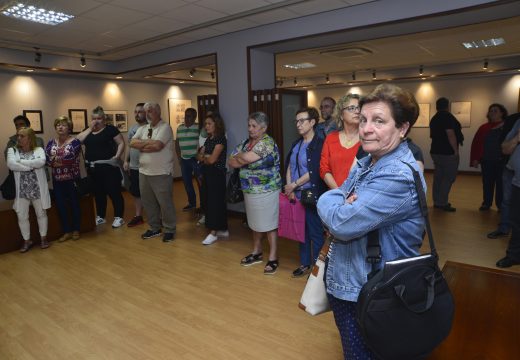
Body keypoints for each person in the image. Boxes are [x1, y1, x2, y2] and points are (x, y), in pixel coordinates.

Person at [317, 84, 425, 359]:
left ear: (402, 128)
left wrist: (329, 202)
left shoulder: (397, 175)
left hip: (373, 292)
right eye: (363, 120)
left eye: (379, 121)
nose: (365, 129)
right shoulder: (368, 161)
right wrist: (340, 202)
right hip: (353, 283)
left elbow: (341, 223)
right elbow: (341, 198)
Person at [229, 112, 282, 275]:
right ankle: (257, 251)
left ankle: (273, 257)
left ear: (263, 128)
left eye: (254, 126)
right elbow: (231, 161)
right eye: (249, 125)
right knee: (255, 223)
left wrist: (241, 158)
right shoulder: (246, 143)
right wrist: (241, 158)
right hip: (249, 190)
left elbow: (243, 159)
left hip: (267, 190)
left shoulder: (267, 143)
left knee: (269, 224)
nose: (250, 129)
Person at [284, 107, 327, 277]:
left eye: (302, 120)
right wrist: (289, 187)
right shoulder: (297, 143)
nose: (298, 124)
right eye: (296, 121)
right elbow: (290, 165)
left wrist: (293, 185)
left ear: (312, 122)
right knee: (301, 232)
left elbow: (314, 171)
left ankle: (317, 268)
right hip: (296, 193)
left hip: (311, 194)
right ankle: (304, 264)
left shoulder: (319, 144)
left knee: (315, 233)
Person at [130, 102, 176, 242]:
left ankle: (169, 229)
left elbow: (157, 146)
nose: (147, 114)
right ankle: (154, 228)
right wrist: (147, 144)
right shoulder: (143, 128)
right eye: (145, 111)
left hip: (161, 172)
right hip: (144, 172)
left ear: (157, 111)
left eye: (149, 111)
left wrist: (142, 145)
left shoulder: (165, 127)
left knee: (165, 203)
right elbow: (132, 143)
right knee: (148, 202)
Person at [77, 106, 125, 228]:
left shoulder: (110, 130)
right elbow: (77, 141)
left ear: (104, 119)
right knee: (98, 193)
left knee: (114, 192)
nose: (96, 121)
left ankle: (119, 217)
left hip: (109, 167)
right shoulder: (87, 131)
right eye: (94, 118)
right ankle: (101, 216)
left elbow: (121, 143)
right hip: (93, 169)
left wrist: (117, 156)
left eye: (99, 118)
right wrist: (90, 128)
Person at [7, 127, 51, 252]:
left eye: (22, 136)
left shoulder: (39, 149)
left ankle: (43, 238)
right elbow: (11, 164)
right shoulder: (12, 150)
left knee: (41, 214)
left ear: (30, 138)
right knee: (21, 216)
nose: (18, 138)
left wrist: (21, 161)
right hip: (22, 190)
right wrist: (29, 167)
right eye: (18, 136)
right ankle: (27, 240)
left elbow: (41, 162)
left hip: (37, 188)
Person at [45, 116, 82, 242]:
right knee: (61, 206)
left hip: (71, 179)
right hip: (57, 180)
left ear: (69, 127)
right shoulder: (51, 143)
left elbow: (70, 158)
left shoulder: (75, 142)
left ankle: (76, 229)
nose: (60, 127)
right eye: (58, 125)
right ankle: (67, 231)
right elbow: (46, 159)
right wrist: (54, 161)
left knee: (74, 204)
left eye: (63, 125)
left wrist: (55, 160)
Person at [470, 103, 508, 211]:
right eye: (491, 111)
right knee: (487, 183)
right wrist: (475, 159)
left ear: (502, 113)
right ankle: (486, 203)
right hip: (487, 160)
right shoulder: (484, 127)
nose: (492, 113)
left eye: (495, 111)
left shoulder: (507, 127)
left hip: (502, 160)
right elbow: (476, 143)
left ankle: (500, 205)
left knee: (501, 184)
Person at [488, 112, 520, 239]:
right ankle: (504, 228)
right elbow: (504, 148)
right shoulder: (516, 120)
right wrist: (517, 137)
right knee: (506, 201)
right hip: (510, 170)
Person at [198, 112, 228, 245]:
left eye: (209, 124)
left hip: (216, 174)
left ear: (217, 124)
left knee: (215, 202)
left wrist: (205, 157)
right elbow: (198, 155)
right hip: (207, 173)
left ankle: (213, 232)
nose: (206, 126)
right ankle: (222, 228)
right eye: (205, 124)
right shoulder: (208, 139)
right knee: (208, 201)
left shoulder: (221, 139)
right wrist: (205, 157)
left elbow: (211, 159)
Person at [429, 97, 464, 212]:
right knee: (448, 178)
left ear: (436, 106)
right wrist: (455, 151)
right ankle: (442, 203)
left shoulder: (434, 118)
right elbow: (450, 134)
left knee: (438, 177)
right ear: (447, 106)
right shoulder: (447, 117)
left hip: (435, 151)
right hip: (447, 153)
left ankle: (437, 201)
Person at [320, 94, 361, 189]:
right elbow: (324, 169)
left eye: (359, 108)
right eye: (351, 108)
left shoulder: (368, 138)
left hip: (360, 196)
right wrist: (339, 193)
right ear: (341, 115)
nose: (357, 111)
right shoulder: (331, 138)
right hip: (335, 195)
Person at [496, 116, 520, 268]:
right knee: (516, 222)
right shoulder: (518, 122)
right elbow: (505, 148)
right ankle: (513, 255)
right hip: (517, 182)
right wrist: (517, 137)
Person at [123, 103, 147, 227]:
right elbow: (128, 145)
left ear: (146, 113)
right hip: (134, 166)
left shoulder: (150, 128)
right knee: (136, 192)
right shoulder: (132, 128)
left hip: (147, 166)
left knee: (150, 192)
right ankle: (138, 216)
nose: (137, 114)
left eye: (140, 112)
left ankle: (158, 216)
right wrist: (126, 160)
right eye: (135, 112)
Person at [176, 108, 201, 212]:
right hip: (184, 160)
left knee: (200, 182)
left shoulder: (198, 127)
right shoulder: (180, 128)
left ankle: (204, 204)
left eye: (189, 116)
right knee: (187, 183)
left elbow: (203, 143)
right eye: (185, 115)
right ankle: (192, 203)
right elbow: (177, 143)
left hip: (195, 159)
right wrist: (179, 157)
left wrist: (199, 156)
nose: (186, 118)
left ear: (194, 117)